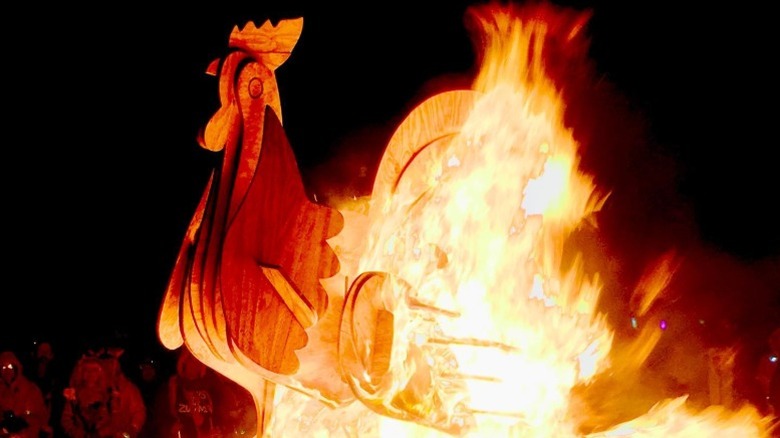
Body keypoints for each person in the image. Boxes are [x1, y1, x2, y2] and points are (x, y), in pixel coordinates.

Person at [0, 350, 48, 438]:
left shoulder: (30, 390)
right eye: (3, 368)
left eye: (10, 366)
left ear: (16, 367)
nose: (7, 371)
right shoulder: (1, 392)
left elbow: (39, 418)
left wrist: (22, 433)